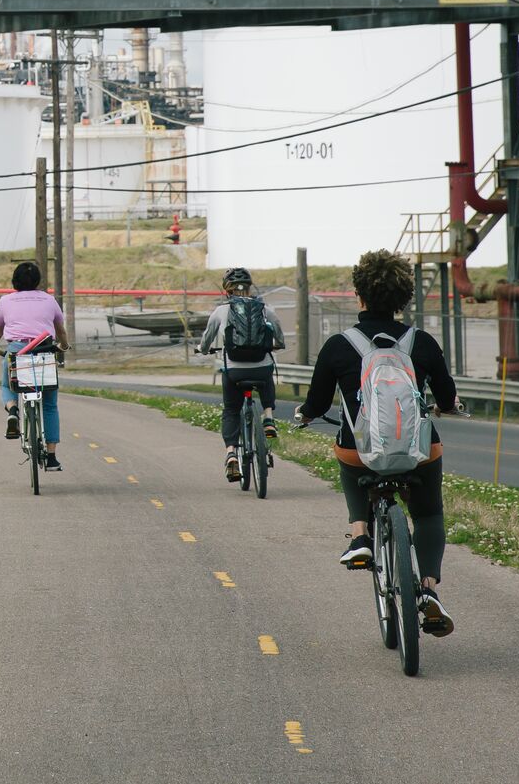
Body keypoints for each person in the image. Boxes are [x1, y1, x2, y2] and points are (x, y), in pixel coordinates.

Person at [295, 250, 465, 637]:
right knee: (428, 514)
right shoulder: (421, 342)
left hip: (361, 451)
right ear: (404, 298)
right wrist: (450, 407)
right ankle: (429, 590)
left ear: (360, 296)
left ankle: (359, 533)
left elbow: (318, 402)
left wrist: (305, 414)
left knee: (348, 455)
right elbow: (447, 394)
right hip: (418, 452)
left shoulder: (339, 345)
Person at [197, 267, 285, 482]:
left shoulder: (221, 311)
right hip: (260, 366)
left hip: (234, 370)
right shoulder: (264, 308)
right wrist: (278, 344)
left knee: (230, 409)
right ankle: (269, 419)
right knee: (266, 375)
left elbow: (207, 337)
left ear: (227, 290)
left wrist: (203, 348)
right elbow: (277, 328)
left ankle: (230, 454)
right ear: (249, 287)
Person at [0, 260, 69, 471]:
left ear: (14, 281)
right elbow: (60, 330)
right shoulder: (49, 300)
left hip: (16, 352)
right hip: (44, 352)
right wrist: (64, 346)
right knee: (50, 404)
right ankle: (51, 458)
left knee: (8, 386)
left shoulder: (6, 301)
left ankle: (13, 411)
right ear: (38, 281)